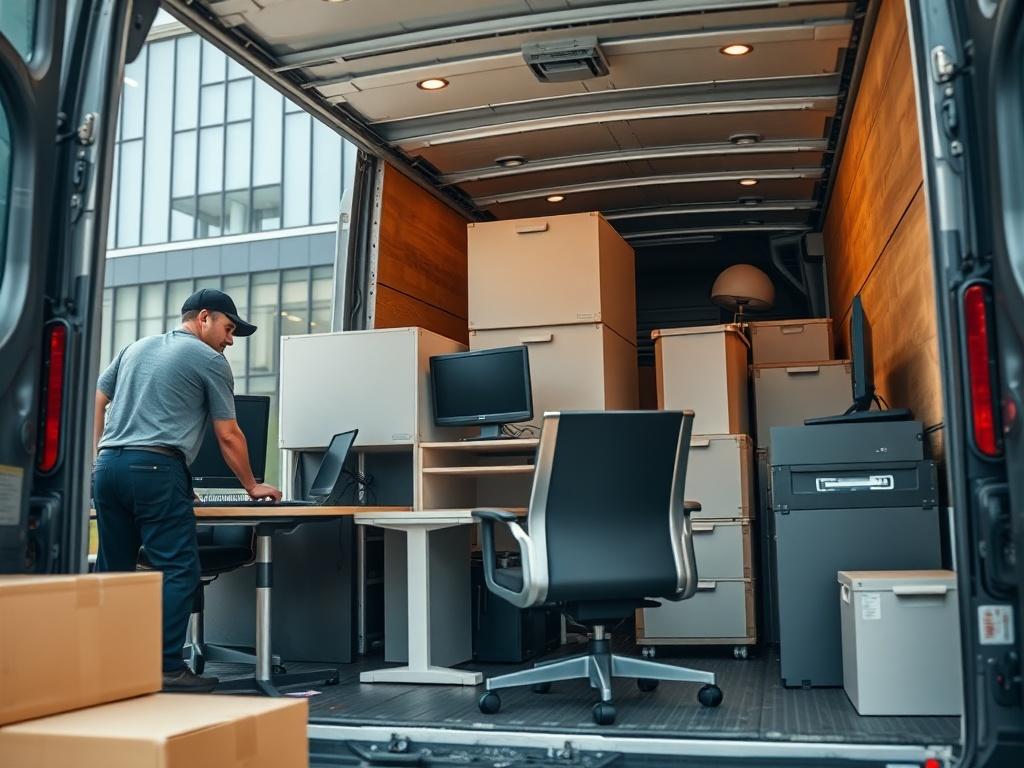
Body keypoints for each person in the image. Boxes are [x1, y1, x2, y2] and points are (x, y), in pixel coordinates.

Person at [92, 288, 282, 692]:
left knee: (113, 568)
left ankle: (104, 663)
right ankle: (163, 666)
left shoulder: (135, 346)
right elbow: (228, 434)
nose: (230, 340)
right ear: (204, 318)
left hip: (108, 468)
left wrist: (98, 455)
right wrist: (252, 485)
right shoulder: (209, 360)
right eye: (228, 329)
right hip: (157, 467)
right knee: (179, 570)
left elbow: (97, 399)